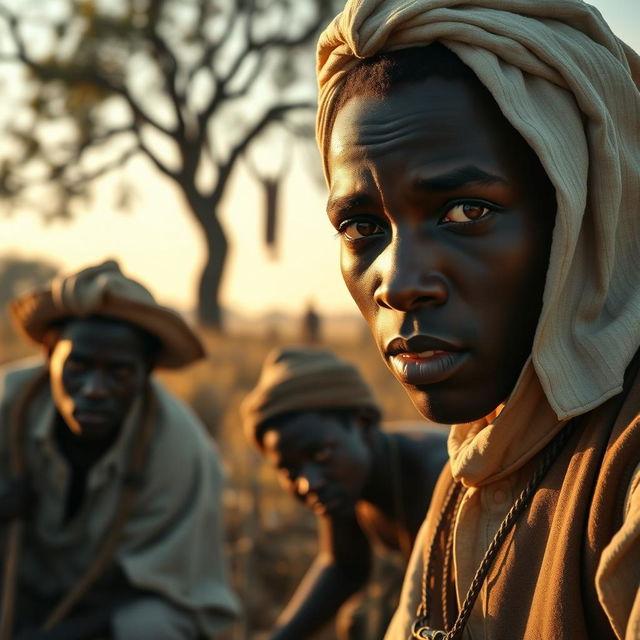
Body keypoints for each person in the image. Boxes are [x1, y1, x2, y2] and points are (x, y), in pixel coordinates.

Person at [314, 1, 640, 639]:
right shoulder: (477, 458)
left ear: (582, 219)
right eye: (361, 227)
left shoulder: (624, 465)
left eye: (466, 212)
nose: (401, 284)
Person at [0, 260, 240, 640]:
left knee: (155, 625)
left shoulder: (183, 450)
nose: (95, 389)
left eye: (119, 373)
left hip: (107, 611)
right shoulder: (7, 404)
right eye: (78, 367)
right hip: (15, 587)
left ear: (147, 371)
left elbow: (172, 584)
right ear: (49, 356)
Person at [241, 346, 448, 639]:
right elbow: (344, 567)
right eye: (290, 470)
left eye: (321, 453)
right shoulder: (345, 480)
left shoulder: (440, 476)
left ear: (363, 423)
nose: (308, 483)